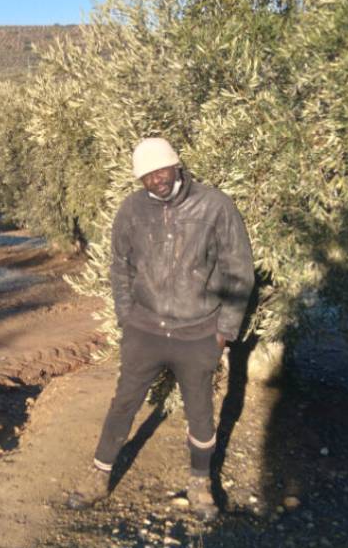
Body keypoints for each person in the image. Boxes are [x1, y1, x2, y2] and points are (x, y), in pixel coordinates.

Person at [66, 137, 255, 520]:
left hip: (199, 333)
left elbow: (240, 270)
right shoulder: (131, 210)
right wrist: (125, 315)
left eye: (161, 171)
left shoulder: (214, 205)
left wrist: (225, 331)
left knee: (200, 411)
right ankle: (99, 475)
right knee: (123, 404)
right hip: (145, 330)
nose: (156, 180)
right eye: (147, 176)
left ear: (177, 166)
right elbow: (119, 266)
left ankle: (200, 484)